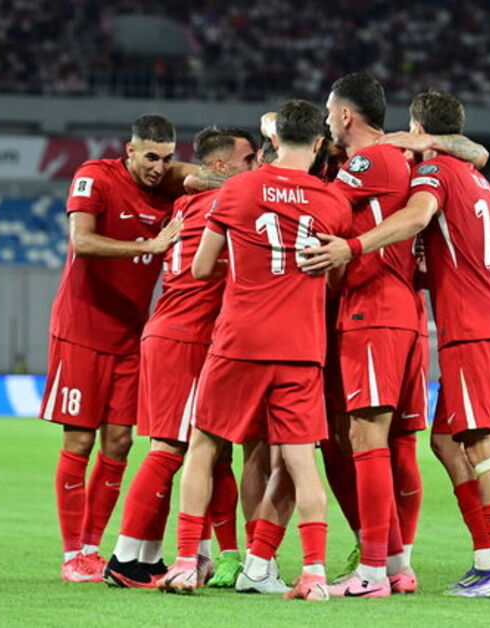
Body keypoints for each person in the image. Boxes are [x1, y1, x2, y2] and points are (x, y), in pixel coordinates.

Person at [303, 90, 490, 598]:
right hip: (484, 319)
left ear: (420, 131)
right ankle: (487, 559)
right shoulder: (478, 178)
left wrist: (354, 246)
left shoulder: (435, 173)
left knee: (482, 446)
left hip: (470, 326)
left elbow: (417, 217)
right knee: (445, 442)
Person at [159, 99, 349, 602]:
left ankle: (185, 563)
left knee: (204, 448)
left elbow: (201, 268)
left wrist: (249, 266)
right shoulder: (333, 201)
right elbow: (334, 275)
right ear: (319, 144)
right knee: (302, 463)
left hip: (239, 341)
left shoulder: (237, 189)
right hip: (301, 347)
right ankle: (313, 573)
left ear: (272, 142)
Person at [105, 125, 258, 589]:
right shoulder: (222, 203)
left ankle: (153, 557)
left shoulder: (188, 204)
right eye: (248, 160)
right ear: (221, 166)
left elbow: (190, 180)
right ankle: (125, 559)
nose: (255, 168)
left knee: (200, 451)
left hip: (171, 334)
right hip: (186, 339)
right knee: (169, 450)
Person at [42, 114, 185, 583]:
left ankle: (91, 549)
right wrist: (152, 245)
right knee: (80, 440)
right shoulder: (95, 176)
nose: (158, 168)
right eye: (151, 157)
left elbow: (198, 175)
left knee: (120, 442)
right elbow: (81, 242)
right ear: (130, 150)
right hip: (81, 329)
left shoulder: (167, 189)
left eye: (167, 159)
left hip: (130, 336)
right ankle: (71, 555)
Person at [318, 72, 428, 598]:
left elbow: (315, 207)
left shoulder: (369, 161)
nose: (326, 123)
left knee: (366, 439)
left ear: (345, 115)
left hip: (373, 310)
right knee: (390, 441)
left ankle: (372, 571)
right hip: (399, 310)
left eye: (327, 114)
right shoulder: (400, 158)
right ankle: (397, 565)